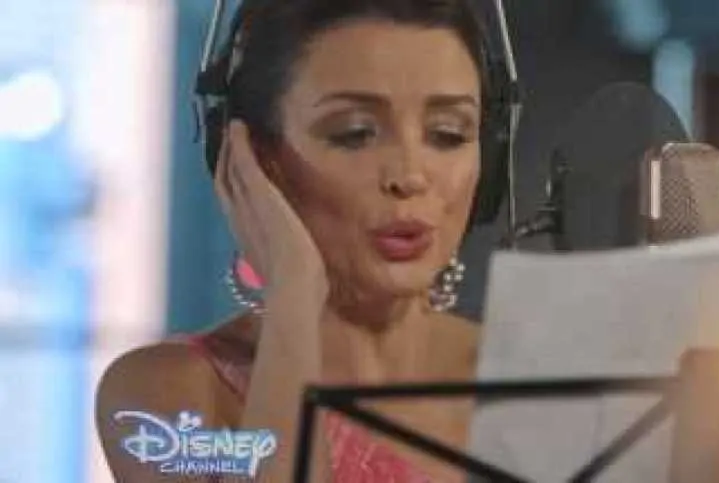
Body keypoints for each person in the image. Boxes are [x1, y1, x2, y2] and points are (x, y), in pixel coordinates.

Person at [95, 0, 500, 481]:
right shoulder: (167, 398)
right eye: (354, 134)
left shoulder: (531, 378)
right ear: (254, 159)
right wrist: (293, 293)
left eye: (448, 134)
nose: (410, 176)